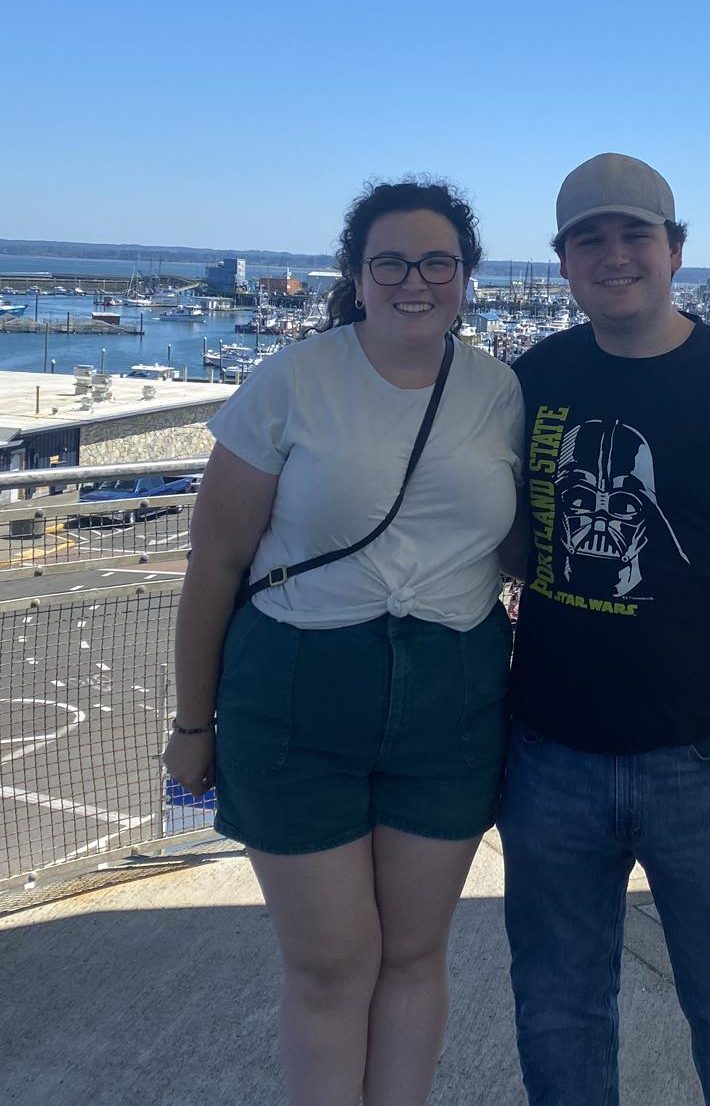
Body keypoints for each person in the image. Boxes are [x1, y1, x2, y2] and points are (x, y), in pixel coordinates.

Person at [164, 180, 523, 1106]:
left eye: (437, 262)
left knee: (412, 955)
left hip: (451, 692)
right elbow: (215, 562)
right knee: (330, 966)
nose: (416, 280)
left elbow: (517, 542)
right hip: (295, 688)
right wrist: (191, 723)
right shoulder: (291, 380)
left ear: (466, 277)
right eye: (391, 262)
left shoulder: (498, 391)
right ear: (357, 276)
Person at [498, 153, 710, 1106]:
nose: (613, 257)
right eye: (588, 240)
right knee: (556, 1005)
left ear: (675, 251)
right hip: (550, 757)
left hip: (709, 762)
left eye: (633, 235)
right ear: (562, 263)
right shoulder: (533, 378)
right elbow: (506, 542)